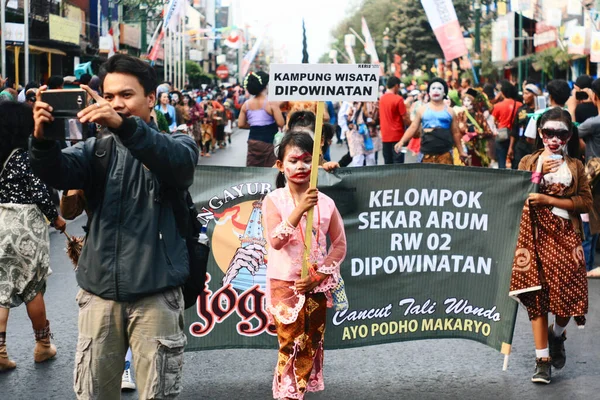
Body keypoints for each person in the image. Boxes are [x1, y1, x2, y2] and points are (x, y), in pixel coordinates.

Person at [30, 54, 198, 398]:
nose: (115, 104)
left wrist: (125, 127)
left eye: (126, 95)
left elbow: (179, 166)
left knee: (158, 393)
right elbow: (57, 172)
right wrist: (43, 140)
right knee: (93, 393)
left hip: (156, 294)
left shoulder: (179, 143)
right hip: (99, 295)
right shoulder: (94, 150)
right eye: (108, 97)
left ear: (150, 99)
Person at [509, 107, 591, 384]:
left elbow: (584, 203)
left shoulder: (577, 166)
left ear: (569, 135)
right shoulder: (528, 161)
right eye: (549, 132)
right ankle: (542, 359)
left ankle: (557, 335)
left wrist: (550, 201)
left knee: (567, 300)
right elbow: (519, 197)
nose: (554, 139)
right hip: (533, 235)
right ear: (540, 133)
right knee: (538, 297)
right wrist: (538, 174)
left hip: (567, 235)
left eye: (561, 133)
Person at [262, 131, 346, 400]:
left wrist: (319, 276)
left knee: (311, 343)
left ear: (317, 163)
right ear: (280, 166)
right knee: (289, 343)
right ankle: (287, 395)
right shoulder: (273, 201)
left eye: (307, 160)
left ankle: (298, 391)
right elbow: (276, 241)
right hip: (284, 284)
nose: (300, 166)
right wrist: (300, 210)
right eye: (294, 160)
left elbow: (340, 245)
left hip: (316, 286)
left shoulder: (327, 203)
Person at [0, 101, 66, 372]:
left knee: (1, 288)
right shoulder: (24, 157)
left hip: (0, 219)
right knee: (32, 286)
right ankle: (42, 346)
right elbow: (39, 192)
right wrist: (57, 218)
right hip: (26, 222)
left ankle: (0, 351)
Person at [395, 78, 469, 165]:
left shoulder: (450, 111)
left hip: (445, 154)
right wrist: (402, 141)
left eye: (439, 88)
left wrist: (461, 152)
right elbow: (413, 127)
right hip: (426, 154)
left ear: (444, 92)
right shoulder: (422, 110)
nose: (436, 91)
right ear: (429, 93)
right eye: (433, 88)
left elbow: (456, 133)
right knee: (426, 178)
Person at [572, 78, 600, 277]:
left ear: (595, 97)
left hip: (595, 179)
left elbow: (571, 135)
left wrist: (572, 108)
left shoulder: (593, 124)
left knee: (588, 225)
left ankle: (586, 268)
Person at [238, 71, 285, 167]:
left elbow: (241, 124)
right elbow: (281, 123)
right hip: (267, 142)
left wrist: (254, 125)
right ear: (266, 86)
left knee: (253, 169)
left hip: (252, 141)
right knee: (270, 169)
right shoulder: (271, 103)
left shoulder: (246, 104)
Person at [379, 76, 410, 164]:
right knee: (398, 163)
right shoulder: (398, 99)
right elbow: (405, 118)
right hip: (398, 137)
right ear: (396, 86)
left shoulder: (381, 99)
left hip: (385, 136)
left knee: (388, 163)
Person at [509, 83, 539, 169]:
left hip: (535, 146)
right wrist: (510, 148)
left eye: (526, 93)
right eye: (523, 93)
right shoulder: (521, 109)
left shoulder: (541, 110)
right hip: (520, 145)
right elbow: (514, 130)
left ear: (534, 95)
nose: (524, 96)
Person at [492, 80, 522, 169]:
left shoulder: (497, 106)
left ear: (503, 92)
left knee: (501, 161)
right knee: (515, 162)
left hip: (501, 134)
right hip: (515, 136)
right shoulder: (519, 105)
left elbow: (494, 121)